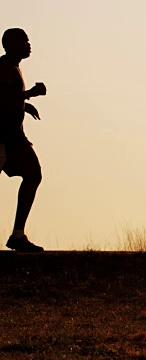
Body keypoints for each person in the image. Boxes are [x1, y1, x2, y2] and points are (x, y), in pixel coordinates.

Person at [0, 28, 47, 252]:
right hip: (4, 139)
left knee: (33, 174)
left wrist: (25, 105)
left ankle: (18, 235)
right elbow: (3, 98)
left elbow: (10, 98)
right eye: (24, 41)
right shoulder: (3, 67)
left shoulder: (13, 67)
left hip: (14, 139)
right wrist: (30, 94)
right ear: (10, 44)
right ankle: (17, 236)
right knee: (33, 174)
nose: (29, 44)